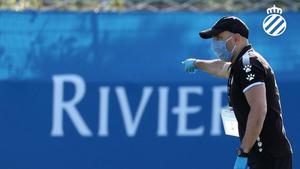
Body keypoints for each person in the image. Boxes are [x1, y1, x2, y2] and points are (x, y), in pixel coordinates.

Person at [182, 16, 292, 169]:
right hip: (261, 155)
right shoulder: (239, 64)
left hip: (268, 156)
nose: (215, 44)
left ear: (237, 38)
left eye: (219, 38)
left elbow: (259, 109)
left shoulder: (249, 64)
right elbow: (220, 68)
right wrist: (197, 63)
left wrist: (243, 153)